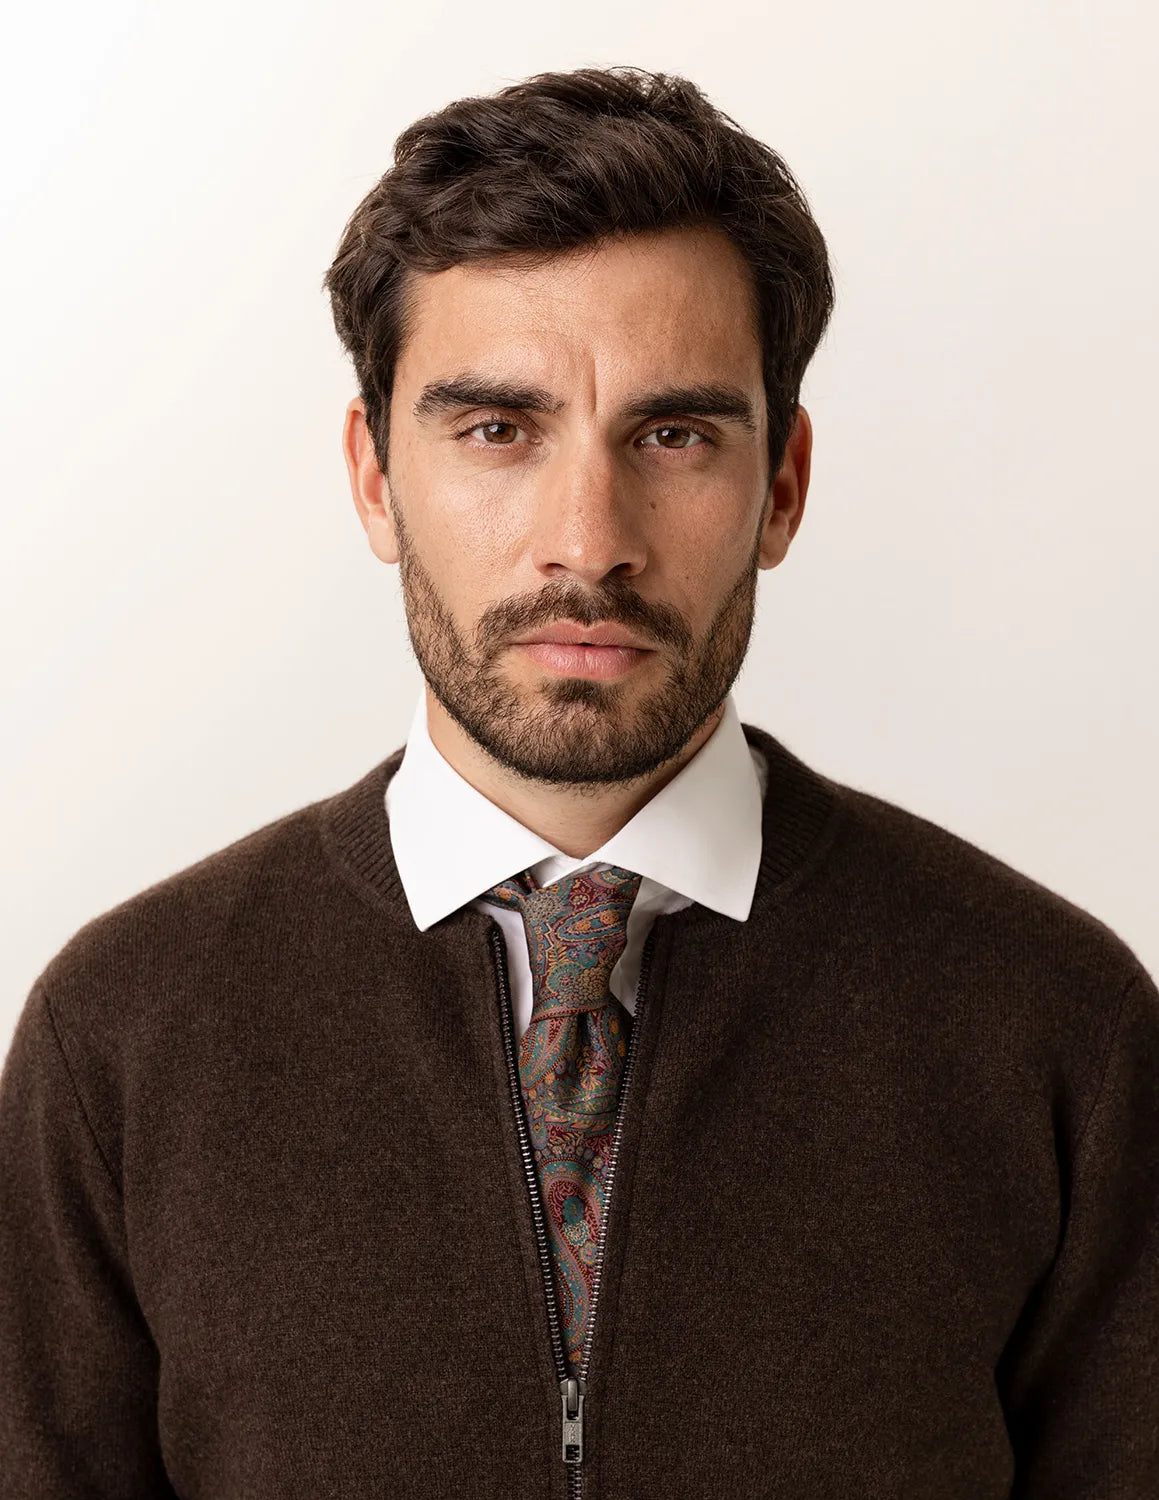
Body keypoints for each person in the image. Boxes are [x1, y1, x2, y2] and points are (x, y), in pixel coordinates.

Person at [1, 64, 1155, 1500]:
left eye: (672, 435)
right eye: (497, 429)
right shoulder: (121, 1039)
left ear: (783, 484)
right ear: (374, 476)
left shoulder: (1057, 1029)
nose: (586, 539)